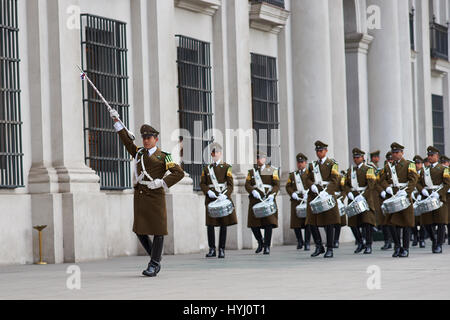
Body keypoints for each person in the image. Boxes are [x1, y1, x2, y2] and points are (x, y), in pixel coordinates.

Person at [111, 112, 184, 277]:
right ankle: (155, 257)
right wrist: (117, 123)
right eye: (144, 138)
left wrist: (163, 182)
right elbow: (126, 141)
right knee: (139, 230)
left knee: (158, 231)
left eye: (149, 138)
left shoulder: (165, 157)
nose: (145, 140)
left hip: (156, 196)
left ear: (155, 139)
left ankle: (154, 264)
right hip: (141, 196)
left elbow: (178, 173)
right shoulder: (138, 153)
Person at [378, 142, 418, 258]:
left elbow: (413, 179)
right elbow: (382, 180)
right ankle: (397, 246)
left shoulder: (409, 164)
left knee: (406, 223)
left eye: (397, 152)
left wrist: (407, 191)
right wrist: (387, 188)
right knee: (391, 223)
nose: (395, 155)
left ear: (402, 153)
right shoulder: (388, 166)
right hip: (392, 196)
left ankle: (405, 248)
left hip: (404, 196)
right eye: (393, 153)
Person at [200, 143, 238, 259]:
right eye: (213, 153)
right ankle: (212, 249)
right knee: (210, 224)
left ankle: (222, 249)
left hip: (222, 197)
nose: (215, 154)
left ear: (220, 153)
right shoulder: (207, 168)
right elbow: (202, 183)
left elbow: (231, 185)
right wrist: (207, 191)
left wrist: (225, 195)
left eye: (217, 152)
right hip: (211, 198)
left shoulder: (227, 167)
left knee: (223, 224)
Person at [305, 141, 341, 258]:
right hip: (314, 195)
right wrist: (312, 185)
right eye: (317, 151)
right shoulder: (312, 165)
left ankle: (329, 248)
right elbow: (307, 179)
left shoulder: (332, 164)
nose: (318, 153)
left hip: (327, 194)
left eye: (321, 151)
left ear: (326, 151)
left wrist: (327, 191)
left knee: (329, 222)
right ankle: (319, 246)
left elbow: (335, 179)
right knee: (311, 222)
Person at [341, 148, 377, 254]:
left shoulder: (368, 169)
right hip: (353, 198)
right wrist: (349, 193)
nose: (356, 159)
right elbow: (345, 184)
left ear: (362, 158)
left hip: (365, 198)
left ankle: (368, 244)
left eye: (358, 157)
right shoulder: (350, 171)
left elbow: (371, 184)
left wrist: (363, 196)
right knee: (353, 223)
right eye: (354, 158)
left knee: (367, 222)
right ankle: (360, 242)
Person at [245, 150, 280, 255]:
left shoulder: (271, 170)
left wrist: (272, 194)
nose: (259, 160)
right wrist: (252, 190)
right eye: (258, 158)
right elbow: (247, 184)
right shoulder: (251, 172)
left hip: (267, 199)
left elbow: (276, 184)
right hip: (255, 200)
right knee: (253, 224)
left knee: (269, 223)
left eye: (261, 158)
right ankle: (260, 242)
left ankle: (267, 246)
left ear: (265, 159)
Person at [416, 147, 450, 253]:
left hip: (439, 198)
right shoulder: (423, 170)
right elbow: (418, 183)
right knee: (427, 222)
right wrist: (422, 191)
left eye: (432, 155)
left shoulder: (444, 169)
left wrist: (439, 193)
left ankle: (439, 244)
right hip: (427, 197)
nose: (430, 157)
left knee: (440, 222)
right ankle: (434, 240)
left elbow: (447, 183)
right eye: (429, 155)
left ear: (437, 156)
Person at [286, 153, 312, 251]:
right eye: (298, 162)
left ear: (305, 163)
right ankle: (300, 241)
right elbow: (288, 186)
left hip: (306, 199)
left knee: (307, 223)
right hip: (296, 200)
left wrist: (308, 193)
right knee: (296, 223)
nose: (300, 164)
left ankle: (307, 242)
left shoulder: (310, 174)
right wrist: (292, 193)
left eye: (302, 162)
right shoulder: (293, 175)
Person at [374, 152, 394, 250]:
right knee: (385, 221)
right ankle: (387, 241)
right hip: (385, 197)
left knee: (395, 220)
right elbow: (377, 183)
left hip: (395, 196)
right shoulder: (381, 171)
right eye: (388, 160)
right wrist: (382, 191)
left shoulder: (397, 170)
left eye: (391, 160)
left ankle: (396, 240)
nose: (390, 162)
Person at [411, 155, 426, 248]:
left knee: (422, 220)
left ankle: (422, 239)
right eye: (415, 163)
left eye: (419, 163)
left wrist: (421, 194)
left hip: (422, 196)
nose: (417, 165)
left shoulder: (425, 172)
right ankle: (415, 236)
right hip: (412, 196)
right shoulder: (411, 173)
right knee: (413, 220)